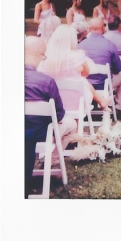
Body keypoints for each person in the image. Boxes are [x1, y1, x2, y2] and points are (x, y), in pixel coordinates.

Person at [25, 36, 77, 197]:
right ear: (38, 54)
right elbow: (59, 115)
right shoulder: (46, 81)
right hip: (40, 135)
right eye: (43, 56)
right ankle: (51, 161)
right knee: (71, 125)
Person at [38, 24, 110, 110]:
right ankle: (101, 101)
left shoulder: (44, 58)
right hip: (77, 102)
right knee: (82, 80)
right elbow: (85, 74)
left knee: (80, 81)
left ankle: (101, 101)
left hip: (51, 102)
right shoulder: (77, 56)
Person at [78, 18, 121, 119]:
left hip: (85, 84)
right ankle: (118, 107)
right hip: (104, 84)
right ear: (103, 28)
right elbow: (117, 69)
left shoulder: (80, 45)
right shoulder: (110, 45)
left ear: (89, 29)